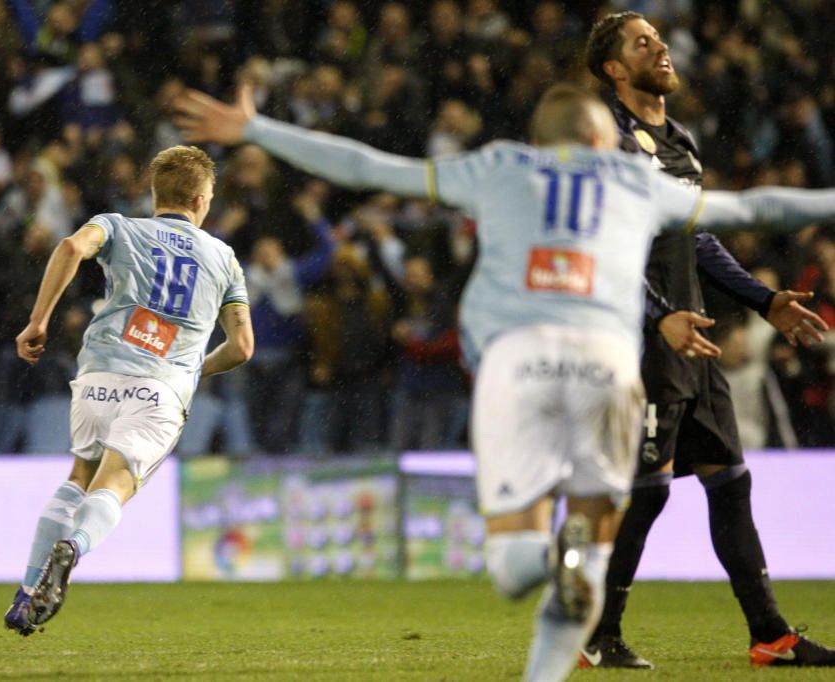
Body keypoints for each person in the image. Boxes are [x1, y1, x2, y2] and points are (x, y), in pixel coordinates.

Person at [172, 81, 835, 681]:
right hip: (607, 365)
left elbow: (373, 168)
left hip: (518, 362)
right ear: (604, 137)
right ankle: (576, 572)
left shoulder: (498, 167)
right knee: (595, 539)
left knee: (516, 566)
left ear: (539, 139)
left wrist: (260, 130)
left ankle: (552, 565)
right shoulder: (636, 183)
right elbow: (759, 207)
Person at [579, 12, 835, 669]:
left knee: (730, 480)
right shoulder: (603, 141)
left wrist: (765, 299)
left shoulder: (681, 142)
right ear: (613, 69)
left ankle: (770, 635)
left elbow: (698, 240)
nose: (660, 49)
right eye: (643, 43)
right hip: (642, 341)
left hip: (692, 337)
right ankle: (594, 633)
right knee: (650, 487)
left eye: (660, 40)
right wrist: (656, 314)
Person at [3, 145, 253, 636]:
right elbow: (242, 346)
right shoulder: (223, 258)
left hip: (99, 374)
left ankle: (26, 594)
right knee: (115, 484)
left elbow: (72, 247)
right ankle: (72, 549)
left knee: (80, 475)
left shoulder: (119, 226)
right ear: (203, 199)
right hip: (160, 387)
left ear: (155, 193)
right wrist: (193, 370)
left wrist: (37, 322)